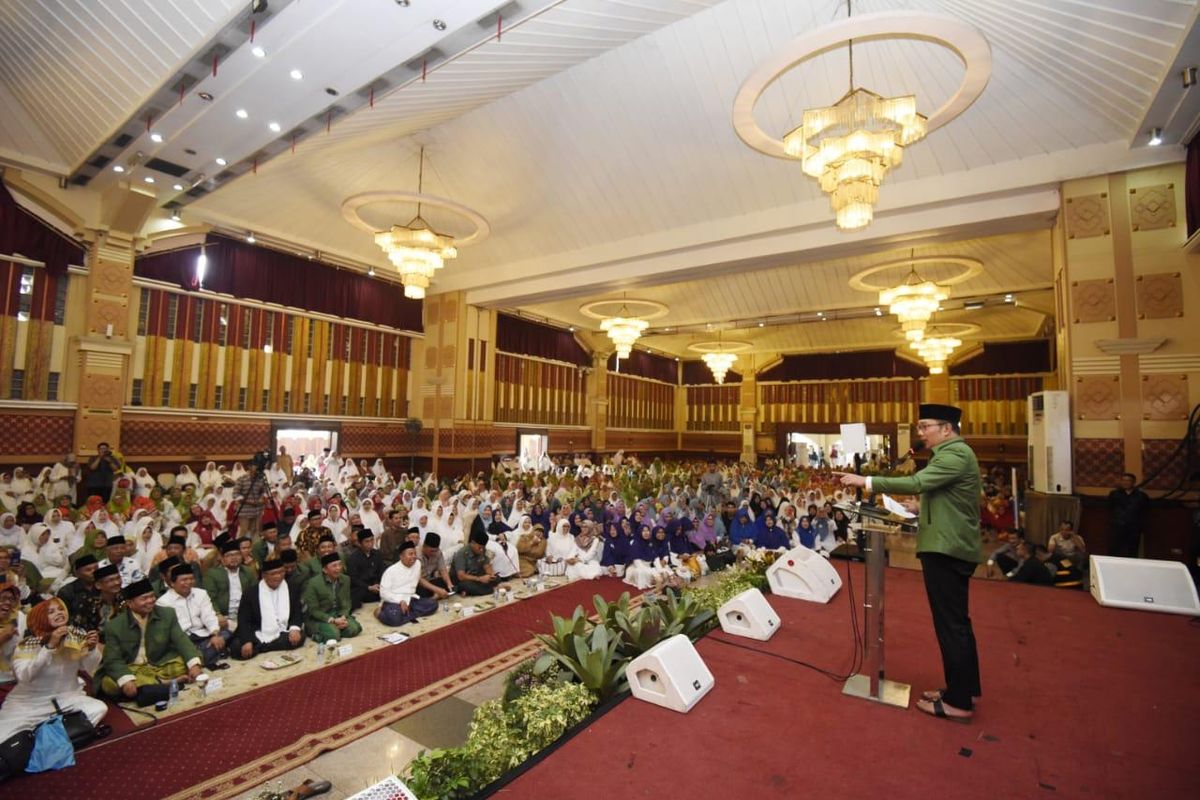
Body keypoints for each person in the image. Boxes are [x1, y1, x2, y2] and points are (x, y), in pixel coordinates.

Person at [838, 403, 983, 724]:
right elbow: (944, 495)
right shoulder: (952, 454)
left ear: (947, 429)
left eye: (924, 427)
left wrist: (867, 482)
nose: (920, 433)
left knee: (952, 625)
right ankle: (961, 688)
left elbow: (918, 482)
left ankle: (959, 701)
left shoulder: (955, 455)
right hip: (947, 543)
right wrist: (920, 507)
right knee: (955, 623)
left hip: (948, 548)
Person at [0, 597, 106, 744]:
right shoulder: (27, 645)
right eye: (51, 611)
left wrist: (91, 648)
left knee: (98, 708)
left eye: (61, 609)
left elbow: (88, 667)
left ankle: (45, 740)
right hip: (31, 703)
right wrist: (49, 647)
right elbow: (25, 676)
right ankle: (54, 737)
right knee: (4, 737)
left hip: (67, 697)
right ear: (41, 617)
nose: (59, 613)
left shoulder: (76, 636)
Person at [99, 578, 202, 698]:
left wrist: (194, 665)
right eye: (144, 598)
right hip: (133, 668)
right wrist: (125, 679)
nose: (150, 601)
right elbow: (112, 659)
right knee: (109, 683)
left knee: (191, 660)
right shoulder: (114, 626)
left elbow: (181, 640)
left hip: (160, 664)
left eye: (152, 596)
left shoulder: (167, 613)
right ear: (129, 603)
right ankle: (165, 683)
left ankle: (151, 685)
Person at [156, 564, 232, 668]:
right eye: (184, 580)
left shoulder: (201, 594)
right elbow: (171, 632)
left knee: (227, 633)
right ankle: (208, 654)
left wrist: (215, 635)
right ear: (172, 583)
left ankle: (205, 654)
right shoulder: (163, 602)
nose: (188, 583)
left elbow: (209, 616)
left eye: (191, 579)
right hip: (182, 639)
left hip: (203, 635)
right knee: (180, 652)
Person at [233, 558, 305, 660]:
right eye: (273, 574)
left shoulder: (292, 587)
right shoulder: (251, 593)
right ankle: (264, 646)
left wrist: (295, 629)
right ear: (264, 576)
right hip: (258, 631)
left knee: (300, 636)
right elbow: (244, 620)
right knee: (237, 647)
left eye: (281, 572)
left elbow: (297, 612)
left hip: (282, 630)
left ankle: (261, 647)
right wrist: (247, 641)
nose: (278, 576)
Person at [301, 553, 362, 642]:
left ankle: (332, 630)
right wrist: (332, 620)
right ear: (325, 570)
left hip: (337, 613)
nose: (338, 568)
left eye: (340, 564)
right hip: (320, 617)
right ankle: (316, 634)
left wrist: (343, 617)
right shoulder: (313, 583)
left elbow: (347, 602)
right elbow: (313, 610)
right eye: (334, 566)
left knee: (355, 629)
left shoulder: (345, 579)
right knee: (334, 636)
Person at [376, 542, 438, 626]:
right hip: (393, 601)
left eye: (415, 554)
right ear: (401, 556)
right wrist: (400, 601)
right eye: (410, 554)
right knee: (394, 618)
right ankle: (379, 613)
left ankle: (407, 614)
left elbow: (417, 582)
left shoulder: (417, 564)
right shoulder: (391, 571)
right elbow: (383, 593)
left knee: (433, 604)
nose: (413, 557)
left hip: (411, 599)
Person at [202, 539, 256, 634]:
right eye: (229, 555)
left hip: (246, 615)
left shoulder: (248, 571)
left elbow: (255, 593)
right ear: (222, 559)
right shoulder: (212, 574)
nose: (234, 558)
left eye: (237, 554)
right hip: (224, 617)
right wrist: (217, 614)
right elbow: (209, 598)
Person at [1108, 474, 1150, 558]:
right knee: (1114, 549)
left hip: (1134, 527)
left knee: (1133, 550)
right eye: (1123, 480)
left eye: (1128, 480)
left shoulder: (1141, 496)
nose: (1125, 482)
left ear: (1133, 482)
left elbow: (1144, 510)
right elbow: (1110, 507)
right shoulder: (1114, 494)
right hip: (1118, 526)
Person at [0, 577, 27, 703]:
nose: (7, 603)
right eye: (2, 598)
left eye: (12, 599)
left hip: (13, 680)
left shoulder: (20, 619)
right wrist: (2, 637)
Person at [451, 530, 499, 596]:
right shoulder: (461, 553)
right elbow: (461, 576)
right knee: (467, 586)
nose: (481, 550)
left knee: (497, 578)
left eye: (483, 548)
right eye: (479, 548)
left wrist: (490, 575)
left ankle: (469, 592)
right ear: (472, 543)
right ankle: (494, 589)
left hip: (476, 578)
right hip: (463, 581)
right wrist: (479, 579)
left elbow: (487, 566)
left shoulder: (482, 550)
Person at [345, 528, 384, 609]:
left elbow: (381, 571)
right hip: (363, 588)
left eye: (372, 540)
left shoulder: (377, 554)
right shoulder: (353, 558)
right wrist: (369, 587)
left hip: (376, 587)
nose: (370, 543)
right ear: (359, 543)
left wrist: (378, 584)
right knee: (356, 594)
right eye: (367, 541)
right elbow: (353, 579)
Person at [416, 533, 453, 599]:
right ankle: (434, 597)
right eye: (432, 551)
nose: (434, 553)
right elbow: (419, 579)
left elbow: (443, 570)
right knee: (419, 592)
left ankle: (435, 595)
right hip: (419, 583)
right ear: (424, 546)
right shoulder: (416, 555)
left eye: (436, 551)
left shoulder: (438, 552)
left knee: (447, 583)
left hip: (431, 580)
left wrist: (449, 583)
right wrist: (437, 590)